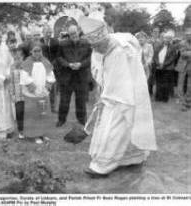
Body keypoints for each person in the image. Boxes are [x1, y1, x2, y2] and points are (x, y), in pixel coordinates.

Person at [77, 16, 157, 177]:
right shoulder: (107, 44)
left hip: (122, 97)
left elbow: (118, 82)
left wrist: (103, 97)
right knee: (124, 129)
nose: (94, 49)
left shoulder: (118, 51)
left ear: (103, 40)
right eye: (91, 45)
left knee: (113, 129)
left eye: (96, 45)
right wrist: (102, 91)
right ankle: (130, 159)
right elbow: (102, 72)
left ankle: (102, 166)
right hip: (115, 93)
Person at [56, 25, 92, 127]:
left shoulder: (86, 43)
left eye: (75, 33)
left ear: (78, 32)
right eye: (71, 34)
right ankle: (61, 120)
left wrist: (81, 64)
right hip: (67, 76)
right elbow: (59, 57)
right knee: (64, 101)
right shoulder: (63, 44)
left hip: (81, 76)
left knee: (81, 100)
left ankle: (82, 120)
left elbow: (90, 58)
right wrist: (68, 65)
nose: (73, 35)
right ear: (68, 35)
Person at [21, 42, 56, 139]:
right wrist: (32, 87)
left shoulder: (45, 61)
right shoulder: (27, 62)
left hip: (43, 91)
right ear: (30, 52)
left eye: (39, 51)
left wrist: (47, 85)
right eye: (35, 51)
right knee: (34, 115)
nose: (37, 53)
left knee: (43, 114)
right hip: (32, 93)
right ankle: (35, 135)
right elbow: (25, 76)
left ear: (42, 51)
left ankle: (43, 133)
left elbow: (50, 75)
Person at [10, 47, 31, 139]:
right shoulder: (11, 68)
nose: (17, 60)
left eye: (19, 58)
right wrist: (13, 95)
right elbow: (11, 83)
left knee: (27, 113)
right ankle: (21, 131)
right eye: (15, 59)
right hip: (18, 96)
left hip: (27, 95)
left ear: (23, 58)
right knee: (19, 112)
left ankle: (29, 130)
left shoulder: (27, 67)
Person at [153, 30, 179, 102]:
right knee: (158, 83)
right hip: (158, 67)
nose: (167, 40)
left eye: (169, 38)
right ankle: (158, 98)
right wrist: (158, 63)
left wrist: (163, 65)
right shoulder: (158, 46)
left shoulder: (173, 47)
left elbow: (172, 58)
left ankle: (164, 98)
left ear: (170, 39)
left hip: (167, 68)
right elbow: (155, 56)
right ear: (163, 38)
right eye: (165, 38)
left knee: (165, 84)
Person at [40, 25, 59, 113]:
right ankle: (42, 108)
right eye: (47, 32)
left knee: (53, 89)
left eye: (50, 32)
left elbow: (58, 55)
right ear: (43, 33)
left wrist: (52, 64)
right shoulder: (39, 42)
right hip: (42, 68)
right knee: (41, 89)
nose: (48, 34)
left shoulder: (55, 42)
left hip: (53, 68)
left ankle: (53, 108)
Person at [176, 27, 191, 111]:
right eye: (188, 35)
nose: (189, 36)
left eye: (190, 35)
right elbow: (183, 54)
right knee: (180, 84)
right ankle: (181, 100)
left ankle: (188, 100)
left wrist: (188, 52)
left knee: (190, 85)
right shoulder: (182, 43)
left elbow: (186, 53)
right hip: (182, 65)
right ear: (186, 35)